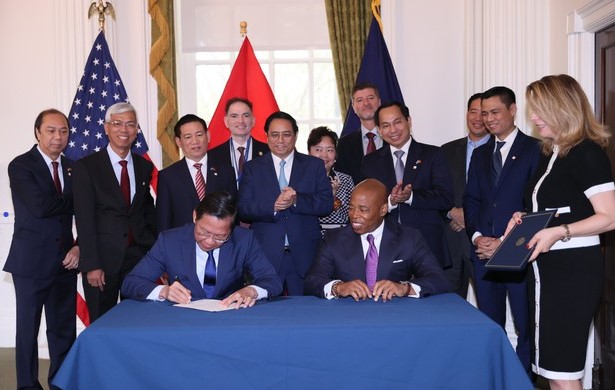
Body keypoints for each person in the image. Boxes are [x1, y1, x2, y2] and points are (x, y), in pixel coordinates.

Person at [507, 74, 615, 389]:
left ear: (563, 109)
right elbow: (558, 208)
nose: (534, 118)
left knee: (563, 373)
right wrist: (524, 218)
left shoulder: (587, 153)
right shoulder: (551, 153)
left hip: (573, 275)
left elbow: (609, 216)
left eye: (540, 110)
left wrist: (560, 232)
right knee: (552, 371)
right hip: (545, 273)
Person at [463, 86, 540, 372]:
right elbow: (470, 200)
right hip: (483, 256)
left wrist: (506, 241)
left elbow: (536, 204)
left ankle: (523, 379)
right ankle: (495, 377)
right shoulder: (481, 154)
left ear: (512, 110)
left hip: (520, 254)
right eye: (484, 113)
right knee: (490, 326)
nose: (489, 119)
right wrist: (478, 236)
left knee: (525, 325)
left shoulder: (535, 150)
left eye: (495, 112)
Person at [4, 109, 80, 389]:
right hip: (31, 263)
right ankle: (27, 385)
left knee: (63, 330)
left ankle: (61, 382)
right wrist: (76, 199)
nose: (58, 137)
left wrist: (80, 246)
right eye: (51, 130)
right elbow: (40, 207)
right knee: (28, 330)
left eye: (63, 131)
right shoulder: (21, 165)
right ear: (37, 132)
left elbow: (86, 214)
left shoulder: (74, 167)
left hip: (66, 262)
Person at [122, 192, 282, 308]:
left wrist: (251, 291)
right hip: (182, 320)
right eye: (203, 232)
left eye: (220, 237)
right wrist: (164, 291)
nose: (210, 241)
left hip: (229, 318)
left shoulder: (244, 240)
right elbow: (131, 283)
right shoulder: (170, 241)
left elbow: (273, 281)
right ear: (194, 216)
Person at [73, 102, 157, 322]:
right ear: (106, 127)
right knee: (103, 323)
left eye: (130, 124)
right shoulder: (86, 167)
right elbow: (84, 219)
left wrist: (155, 255)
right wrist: (92, 265)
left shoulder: (143, 166)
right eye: (117, 124)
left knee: (137, 321)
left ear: (137, 130)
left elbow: (147, 213)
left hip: (138, 260)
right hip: (102, 262)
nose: (124, 129)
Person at [304, 179, 449, 300]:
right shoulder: (333, 239)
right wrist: (338, 287)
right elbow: (312, 281)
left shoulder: (409, 238)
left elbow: (438, 279)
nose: (354, 215)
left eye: (363, 209)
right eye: (351, 208)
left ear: (383, 210)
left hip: (394, 316)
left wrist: (404, 288)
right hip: (348, 316)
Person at [238, 111, 333, 295]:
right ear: (266, 137)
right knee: (267, 317)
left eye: (286, 134)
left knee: (306, 315)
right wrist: (272, 207)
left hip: (306, 254)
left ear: (296, 136)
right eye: (274, 134)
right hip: (267, 255)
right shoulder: (252, 168)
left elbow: (326, 204)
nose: (280, 140)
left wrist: (297, 200)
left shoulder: (313, 165)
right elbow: (243, 209)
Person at [361, 101, 454, 270]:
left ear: (408, 121)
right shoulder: (371, 162)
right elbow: (367, 205)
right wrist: (391, 201)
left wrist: (410, 197)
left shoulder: (433, 154)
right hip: (386, 245)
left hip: (426, 243)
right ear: (379, 131)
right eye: (386, 125)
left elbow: (445, 198)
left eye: (397, 122)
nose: (393, 130)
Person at [441, 93, 490, 297]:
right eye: (473, 111)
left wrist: (469, 219)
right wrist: (451, 212)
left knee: (489, 308)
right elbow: (435, 192)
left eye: (483, 113)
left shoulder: (500, 150)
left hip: (484, 241)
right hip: (450, 243)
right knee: (446, 310)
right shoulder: (446, 150)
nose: (477, 118)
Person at [156, 114, 237, 232]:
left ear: (208, 136)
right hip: (183, 244)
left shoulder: (226, 171)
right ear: (178, 142)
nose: (195, 141)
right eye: (188, 137)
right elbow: (163, 222)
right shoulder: (168, 176)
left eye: (199, 135)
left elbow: (233, 214)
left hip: (220, 241)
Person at [207, 97, 270, 187]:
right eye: (234, 116)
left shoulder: (268, 152)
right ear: (226, 121)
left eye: (246, 115)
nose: (241, 121)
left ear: (253, 121)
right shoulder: (213, 156)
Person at [307, 126, 354, 230]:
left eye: (329, 150)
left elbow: (350, 217)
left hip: (339, 238)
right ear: (309, 152)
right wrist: (328, 196)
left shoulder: (346, 180)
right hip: (310, 237)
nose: (324, 155)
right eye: (318, 149)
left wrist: (333, 198)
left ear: (336, 154)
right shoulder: (301, 179)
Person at [335, 83, 384, 183]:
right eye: (360, 100)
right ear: (353, 107)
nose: (366, 103)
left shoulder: (393, 138)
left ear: (379, 102)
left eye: (370, 98)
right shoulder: (343, 145)